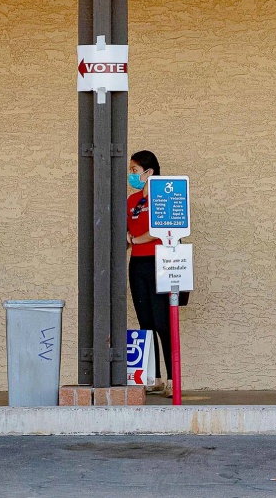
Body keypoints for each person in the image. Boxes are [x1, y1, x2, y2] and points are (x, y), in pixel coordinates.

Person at [127, 150, 185, 398]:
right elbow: (125, 233)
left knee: (164, 322)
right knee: (146, 323)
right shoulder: (131, 201)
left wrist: (135, 239)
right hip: (137, 264)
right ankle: (155, 377)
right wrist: (132, 239)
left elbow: (163, 230)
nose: (131, 175)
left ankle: (173, 379)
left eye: (134, 171)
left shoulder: (164, 197)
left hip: (161, 262)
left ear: (148, 172)